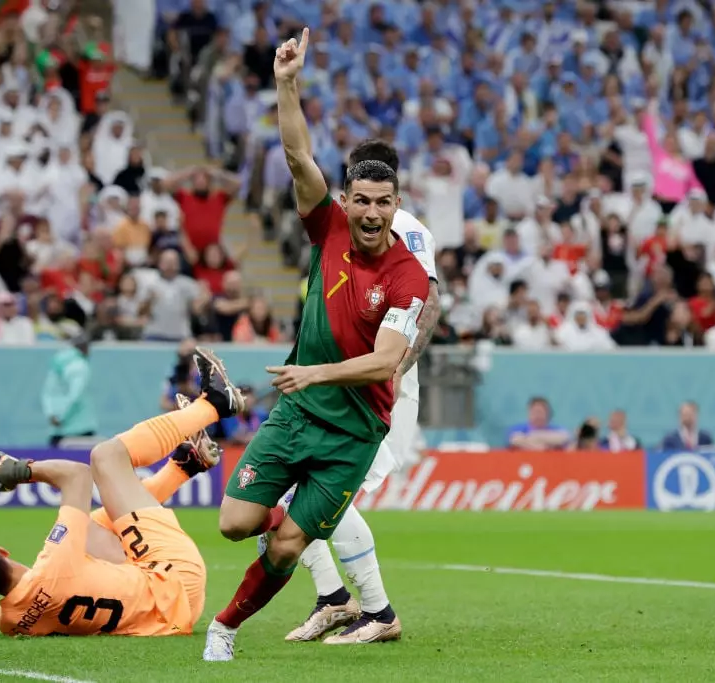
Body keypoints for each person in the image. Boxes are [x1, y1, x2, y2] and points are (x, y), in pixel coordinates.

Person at [203, 29, 431, 662]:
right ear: (346, 200)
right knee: (234, 525)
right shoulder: (325, 227)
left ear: (396, 206)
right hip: (300, 414)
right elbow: (299, 158)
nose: (371, 212)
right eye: (361, 199)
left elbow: (388, 360)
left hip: (353, 429)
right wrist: (286, 83)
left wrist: (316, 372)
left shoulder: (408, 276)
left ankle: (224, 628)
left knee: (284, 546)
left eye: (383, 203)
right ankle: (311, 551)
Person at [273, 138, 442, 645]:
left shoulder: (409, 233)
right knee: (280, 492)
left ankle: (376, 610)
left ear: (392, 193)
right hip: (327, 386)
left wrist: (393, 372)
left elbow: (428, 304)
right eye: (355, 191)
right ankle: (334, 599)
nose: (361, 203)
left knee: (328, 496)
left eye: (375, 194)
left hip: (372, 389)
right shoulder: (340, 227)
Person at [0, 348, 245, 637]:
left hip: (171, 617)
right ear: (2, 552)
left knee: (91, 529)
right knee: (105, 457)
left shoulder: (10, 622)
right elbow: (76, 476)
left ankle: (186, 465)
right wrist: (22, 470)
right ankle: (214, 405)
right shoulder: (56, 560)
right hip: (174, 578)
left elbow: (26, 600)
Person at [41, 332, 98, 447]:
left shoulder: (56, 363)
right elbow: (75, 395)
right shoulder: (80, 366)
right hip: (80, 427)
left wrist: (52, 414)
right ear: (85, 348)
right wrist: (61, 417)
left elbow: (47, 393)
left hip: (57, 429)